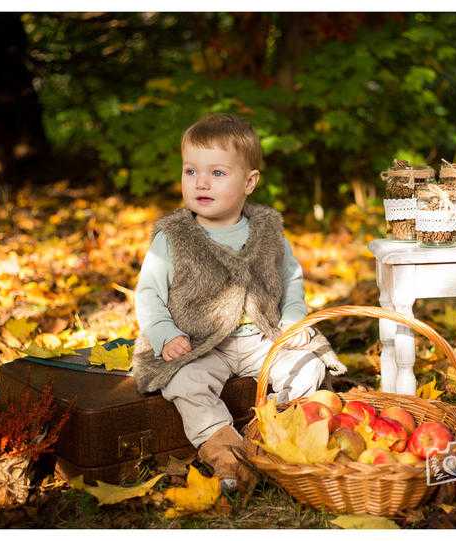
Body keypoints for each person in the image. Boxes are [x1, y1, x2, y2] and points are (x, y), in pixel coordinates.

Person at [132, 113, 344, 492]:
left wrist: (293, 320)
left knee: (307, 366)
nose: (200, 182)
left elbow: (291, 279)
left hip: (261, 338)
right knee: (183, 380)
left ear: (249, 182)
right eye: (190, 171)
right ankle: (225, 450)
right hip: (198, 344)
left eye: (217, 173)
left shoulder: (267, 232)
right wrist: (164, 334)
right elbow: (149, 293)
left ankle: (278, 430)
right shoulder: (173, 237)